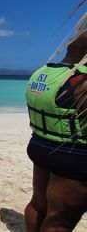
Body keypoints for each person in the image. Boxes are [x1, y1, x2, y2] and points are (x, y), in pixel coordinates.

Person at [24, 27, 87, 231]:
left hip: (41, 146)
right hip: (72, 156)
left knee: (38, 204)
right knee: (60, 218)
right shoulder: (81, 82)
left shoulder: (42, 73)